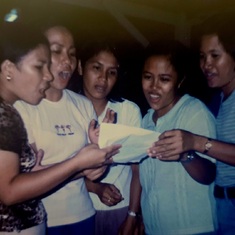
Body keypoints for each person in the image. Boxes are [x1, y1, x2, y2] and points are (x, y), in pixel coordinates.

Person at [0, 23, 120, 235]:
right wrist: (78, 164)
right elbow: (12, 187)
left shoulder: (82, 104)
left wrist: (99, 147)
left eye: (72, 53)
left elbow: (41, 173)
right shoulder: (14, 110)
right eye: (54, 53)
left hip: (72, 215)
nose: (66, 61)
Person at [148, 14, 235, 235]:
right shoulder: (220, 101)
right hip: (223, 203)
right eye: (202, 56)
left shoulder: (197, 110)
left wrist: (195, 142)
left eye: (215, 55)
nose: (206, 64)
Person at [136, 40, 218, 235]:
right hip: (153, 229)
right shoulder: (146, 120)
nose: (153, 87)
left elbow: (210, 174)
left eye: (164, 79)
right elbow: (146, 181)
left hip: (193, 229)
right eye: (148, 77)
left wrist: (185, 155)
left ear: (179, 81)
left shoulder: (194, 112)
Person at [76, 40, 143, 235]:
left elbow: (138, 171)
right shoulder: (69, 108)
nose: (103, 78)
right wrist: (95, 187)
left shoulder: (128, 110)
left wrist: (133, 214)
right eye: (96, 67)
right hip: (79, 210)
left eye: (111, 72)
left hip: (120, 210)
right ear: (81, 67)